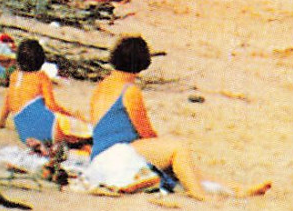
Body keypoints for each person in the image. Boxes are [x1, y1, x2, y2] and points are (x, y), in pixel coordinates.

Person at [87, 35, 270, 201]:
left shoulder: (103, 86)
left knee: (186, 167)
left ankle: (237, 189)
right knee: (177, 149)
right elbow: (146, 131)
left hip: (100, 157)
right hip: (118, 154)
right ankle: (200, 195)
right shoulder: (129, 90)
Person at [0, 39, 90, 149]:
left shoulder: (14, 76)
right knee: (80, 131)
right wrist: (69, 114)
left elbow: (8, 103)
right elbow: (51, 105)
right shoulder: (41, 77)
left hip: (24, 134)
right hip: (47, 128)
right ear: (41, 61)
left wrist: (1, 123)